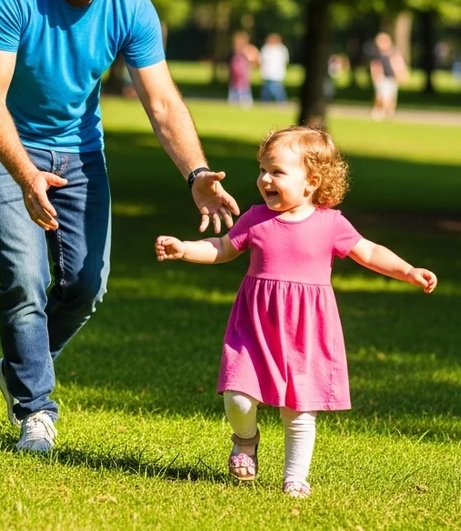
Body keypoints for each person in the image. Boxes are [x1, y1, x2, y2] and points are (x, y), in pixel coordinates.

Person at [0, 0, 239, 454]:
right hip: (3, 142)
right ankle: (36, 410)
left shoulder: (131, 4)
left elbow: (161, 102)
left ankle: (19, 364)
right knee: (25, 277)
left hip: (79, 149)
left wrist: (197, 173)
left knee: (88, 285)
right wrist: (25, 175)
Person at [153, 126, 438, 498]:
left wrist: (407, 271)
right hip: (255, 327)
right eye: (262, 170)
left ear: (311, 182)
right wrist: (185, 248)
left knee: (299, 411)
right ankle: (245, 439)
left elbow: (368, 252)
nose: (264, 179)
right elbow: (221, 248)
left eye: (277, 172)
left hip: (307, 331)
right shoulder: (255, 219)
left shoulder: (330, 223)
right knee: (237, 396)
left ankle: (295, 477)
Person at [368, 32, 408, 120]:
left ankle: (388, 112)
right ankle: (379, 111)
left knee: (391, 96)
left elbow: (399, 64)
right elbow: (375, 66)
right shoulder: (377, 55)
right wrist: (376, 76)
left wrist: (401, 74)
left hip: (392, 78)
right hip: (382, 78)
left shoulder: (393, 53)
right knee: (381, 96)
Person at [228, 31, 258, 107]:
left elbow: (254, 59)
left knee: (244, 87)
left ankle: (246, 101)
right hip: (235, 75)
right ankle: (234, 101)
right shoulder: (236, 50)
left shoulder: (247, 49)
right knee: (234, 87)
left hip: (243, 74)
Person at [257, 33, 289, 104]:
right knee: (266, 88)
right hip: (267, 72)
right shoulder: (266, 48)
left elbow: (285, 61)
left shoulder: (282, 49)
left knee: (278, 89)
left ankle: (281, 102)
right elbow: (261, 60)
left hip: (277, 72)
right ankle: (265, 101)